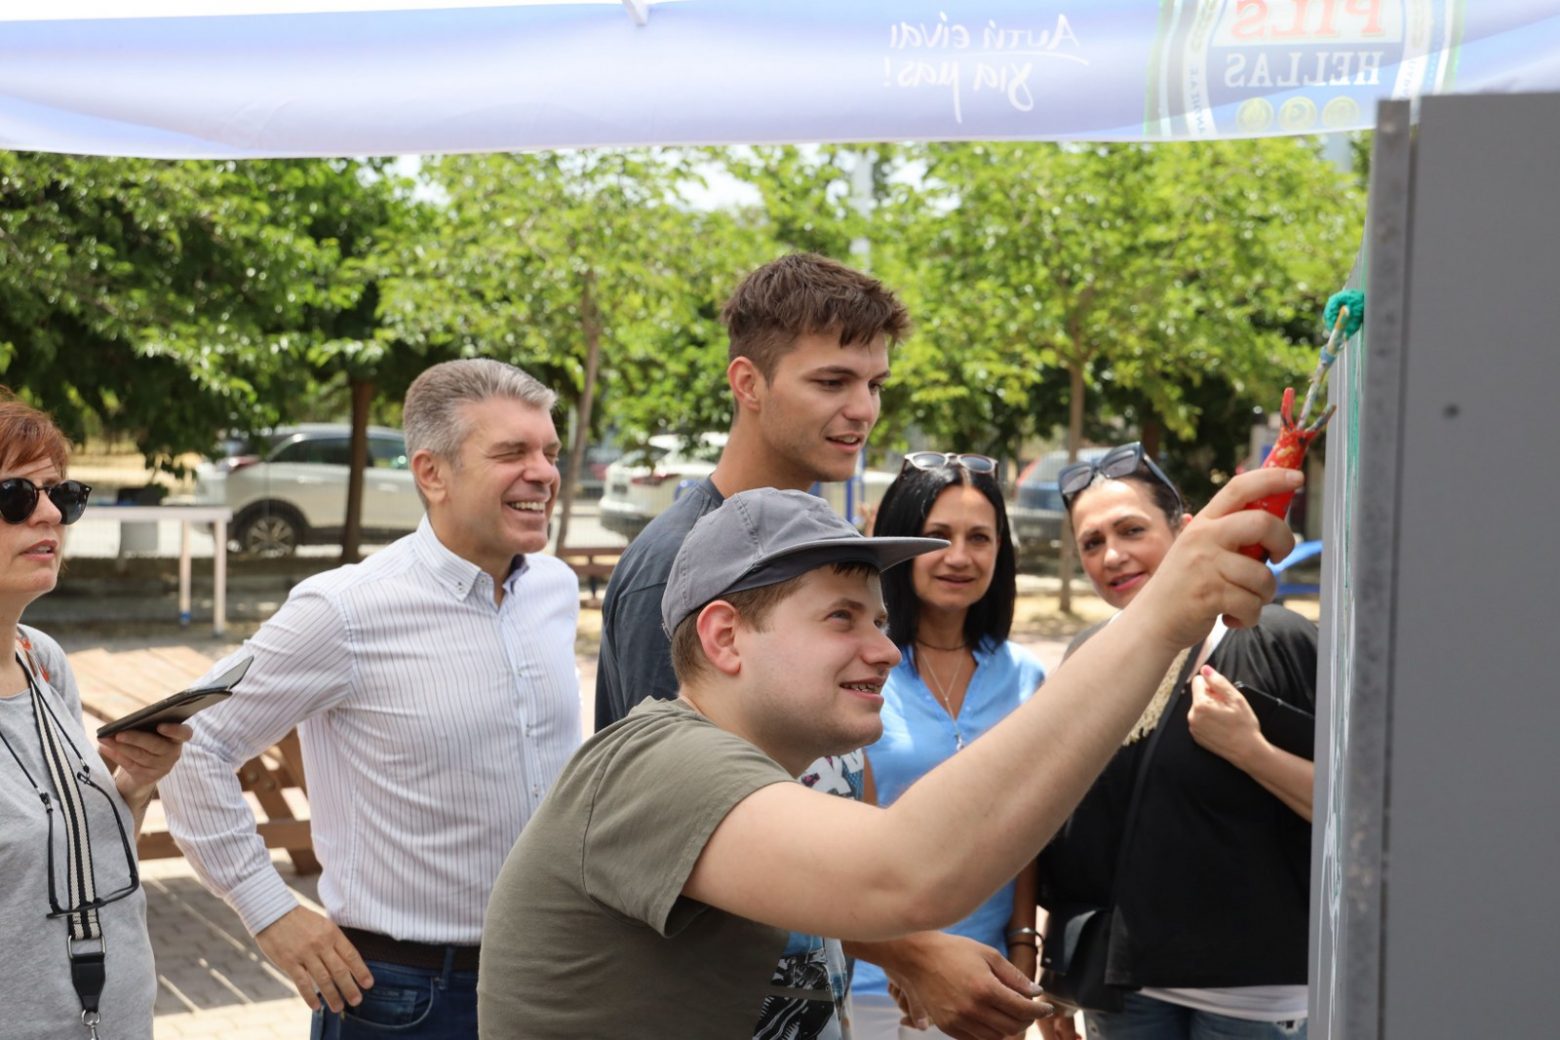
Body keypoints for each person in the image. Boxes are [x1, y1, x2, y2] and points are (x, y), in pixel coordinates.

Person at [478, 469, 1301, 1039]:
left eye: (878, 619)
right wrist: (1159, 618)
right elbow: (908, 874)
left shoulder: (763, 776)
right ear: (725, 637)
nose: (881, 648)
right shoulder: (656, 766)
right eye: (842, 617)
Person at [592, 254, 1043, 1038]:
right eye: (832, 382)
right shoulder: (678, 566)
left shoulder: (828, 543)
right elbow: (679, 828)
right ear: (748, 382)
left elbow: (838, 784)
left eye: (875, 384)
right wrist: (911, 951)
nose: (862, 409)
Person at [160, 359, 582, 1039]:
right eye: (512, 452)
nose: (543, 473)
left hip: (549, 981)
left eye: (550, 452)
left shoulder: (554, 589)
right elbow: (191, 743)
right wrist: (269, 910)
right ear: (432, 473)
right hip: (403, 1002)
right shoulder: (344, 609)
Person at [1037, 443, 1317, 1040]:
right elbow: (1071, 834)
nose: (1113, 555)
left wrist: (1252, 751)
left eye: (1131, 530)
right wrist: (1058, 973)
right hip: (1123, 992)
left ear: (1186, 531)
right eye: (1092, 542)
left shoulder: (1278, 639)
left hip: (1253, 999)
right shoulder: (1087, 656)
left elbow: (1356, 814)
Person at [0, 389, 192, 1039]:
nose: (50, 514)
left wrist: (132, 788)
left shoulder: (42, 662)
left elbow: (83, 865)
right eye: (15, 497)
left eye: (63, 494)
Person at [852, 452, 1046, 1040]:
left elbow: (1028, 825)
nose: (959, 557)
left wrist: (1023, 946)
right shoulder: (861, 667)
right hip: (874, 986)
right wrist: (903, 957)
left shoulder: (1024, 677)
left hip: (988, 983)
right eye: (937, 536)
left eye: (979, 537)